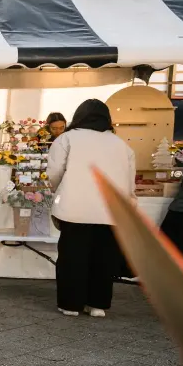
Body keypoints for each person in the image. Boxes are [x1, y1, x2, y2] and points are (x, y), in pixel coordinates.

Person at [47, 98, 135, 318]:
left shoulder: (67, 139)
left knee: (72, 257)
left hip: (74, 207)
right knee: (104, 259)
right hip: (110, 210)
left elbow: (55, 172)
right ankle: (97, 304)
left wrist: (60, 191)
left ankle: (70, 304)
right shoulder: (121, 144)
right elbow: (129, 181)